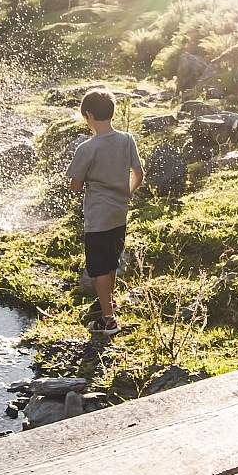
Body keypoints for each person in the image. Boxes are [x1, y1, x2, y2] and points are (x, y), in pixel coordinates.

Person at [67, 88, 144, 334]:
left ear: (88, 115)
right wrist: (127, 193)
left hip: (98, 216)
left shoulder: (87, 148)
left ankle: (108, 320)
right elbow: (139, 174)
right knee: (111, 261)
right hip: (119, 213)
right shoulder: (126, 139)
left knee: (98, 267)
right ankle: (106, 304)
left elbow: (75, 185)